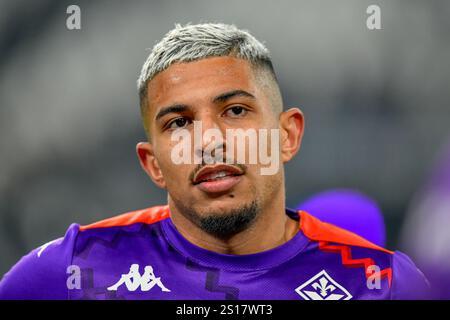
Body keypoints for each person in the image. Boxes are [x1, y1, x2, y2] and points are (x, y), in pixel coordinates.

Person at [0, 23, 429, 300]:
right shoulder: (72, 270)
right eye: (179, 122)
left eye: (235, 111)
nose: (209, 141)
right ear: (153, 164)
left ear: (287, 135)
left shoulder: (382, 282)